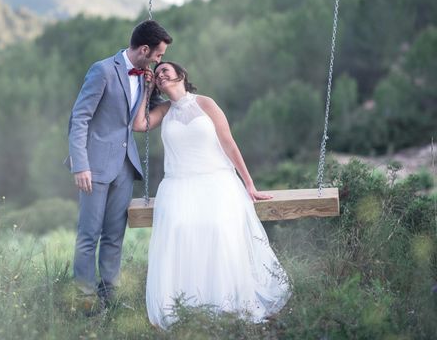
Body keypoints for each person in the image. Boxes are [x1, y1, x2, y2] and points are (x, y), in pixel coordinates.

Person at [133, 61, 292, 328]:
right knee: (179, 229)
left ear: (180, 75)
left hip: (216, 180)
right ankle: (188, 305)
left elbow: (228, 143)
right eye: (157, 74)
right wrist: (147, 90)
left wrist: (249, 184)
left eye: (165, 71)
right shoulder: (164, 110)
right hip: (179, 184)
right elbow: (139, 124)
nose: (160, 75)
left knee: (218, 229)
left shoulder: (205, 103)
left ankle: (227, 305)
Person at [66, 20, 173, 313]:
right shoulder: (102, 70)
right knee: (89, 235)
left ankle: (109, 296)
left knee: (114, 236)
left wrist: (160, 91)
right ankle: (85, 299)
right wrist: (80, 165)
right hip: (95, 167)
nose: (159, 59)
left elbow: (141, 117)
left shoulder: (145, 76)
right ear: (144, 49)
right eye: (159, 54)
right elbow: (79, 119)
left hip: (126, 168)